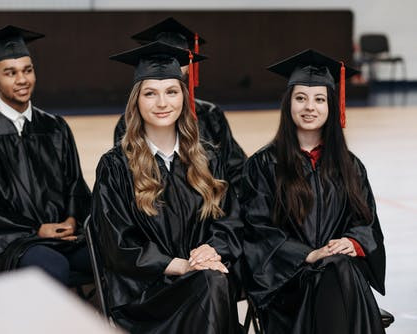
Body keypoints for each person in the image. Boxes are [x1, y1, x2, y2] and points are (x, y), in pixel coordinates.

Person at [92, 41, 243, 333]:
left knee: (212, 281)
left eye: (172, 92)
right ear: (136, 101)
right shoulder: (115, 166)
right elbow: (117, 244)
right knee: (212, 284)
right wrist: (182, 266)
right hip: (145, 296)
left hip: (202, 280)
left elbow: (230, 222)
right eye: (151, 93)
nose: (163, 103)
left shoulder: (208, 158)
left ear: (184, 98)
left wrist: (211, 251)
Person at [240, 49, 386, 334]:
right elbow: (256, 231)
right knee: (336, 269)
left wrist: (352, 243)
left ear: (332, 105)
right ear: (288, 104)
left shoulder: (349, 166)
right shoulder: (264, 164)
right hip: (287, 284)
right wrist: (308, 255)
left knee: (337, 265)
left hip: (338, 276)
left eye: (319, 99)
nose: (310, 107)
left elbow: (366, 224)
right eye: (300, 98)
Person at [0, 26, 92, 286]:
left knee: (107, 257)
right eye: (10, 73)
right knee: (52, 265)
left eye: (27, 70)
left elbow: (75, 184)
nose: (22, 80)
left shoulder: (54, 127)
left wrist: (71, 219)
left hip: (62, 235)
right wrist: (35, 231)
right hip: (8, 241)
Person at [113, 17, 247, 195]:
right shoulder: (129, 122)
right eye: (150, 93)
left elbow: (235, 169)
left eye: (179, 57)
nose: (162, 103)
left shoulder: (211, 115)